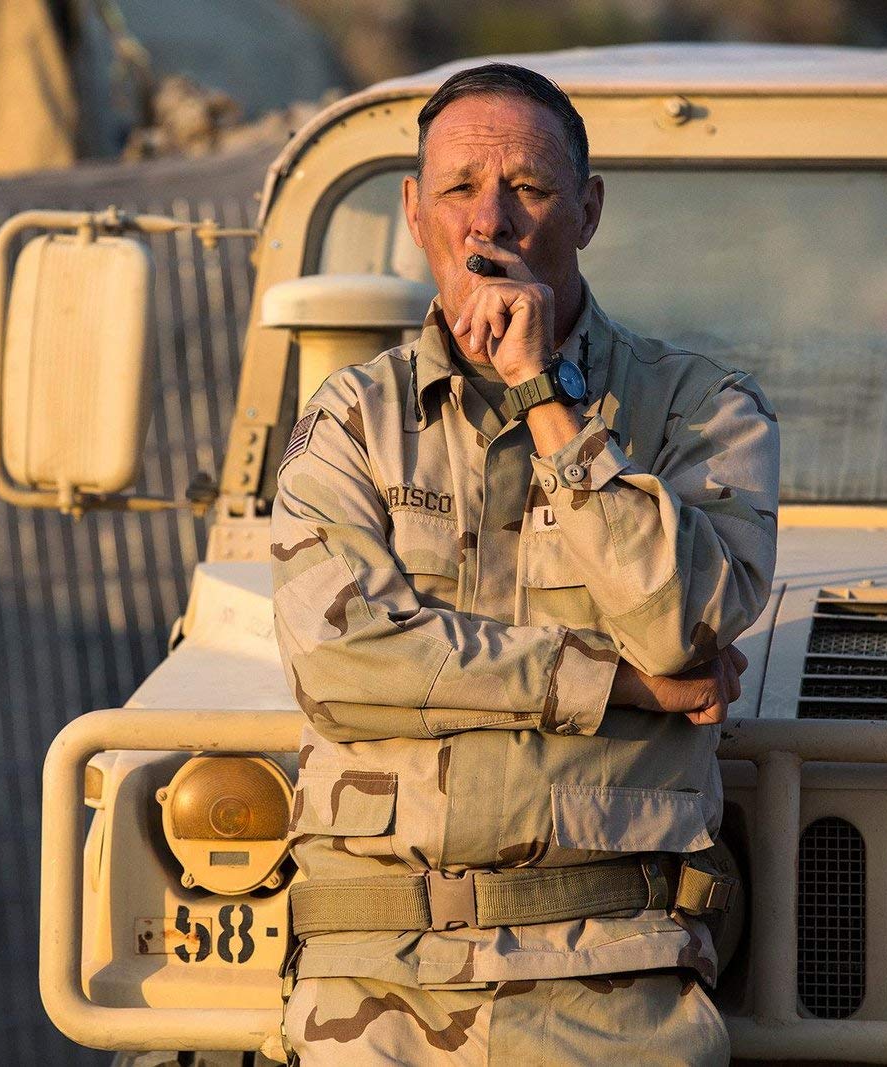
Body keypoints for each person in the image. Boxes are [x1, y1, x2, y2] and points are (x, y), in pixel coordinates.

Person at [270, 62, 779, 1066]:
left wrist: (549, 398)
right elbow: (339, 664)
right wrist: (618, 683)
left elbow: (685, 621)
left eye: (529, 189)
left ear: (587, 211)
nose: (489, 221)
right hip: (370, 987)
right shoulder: (352, 421)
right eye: (459, 188)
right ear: (414, 211)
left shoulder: (700, 409)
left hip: (611, 978)